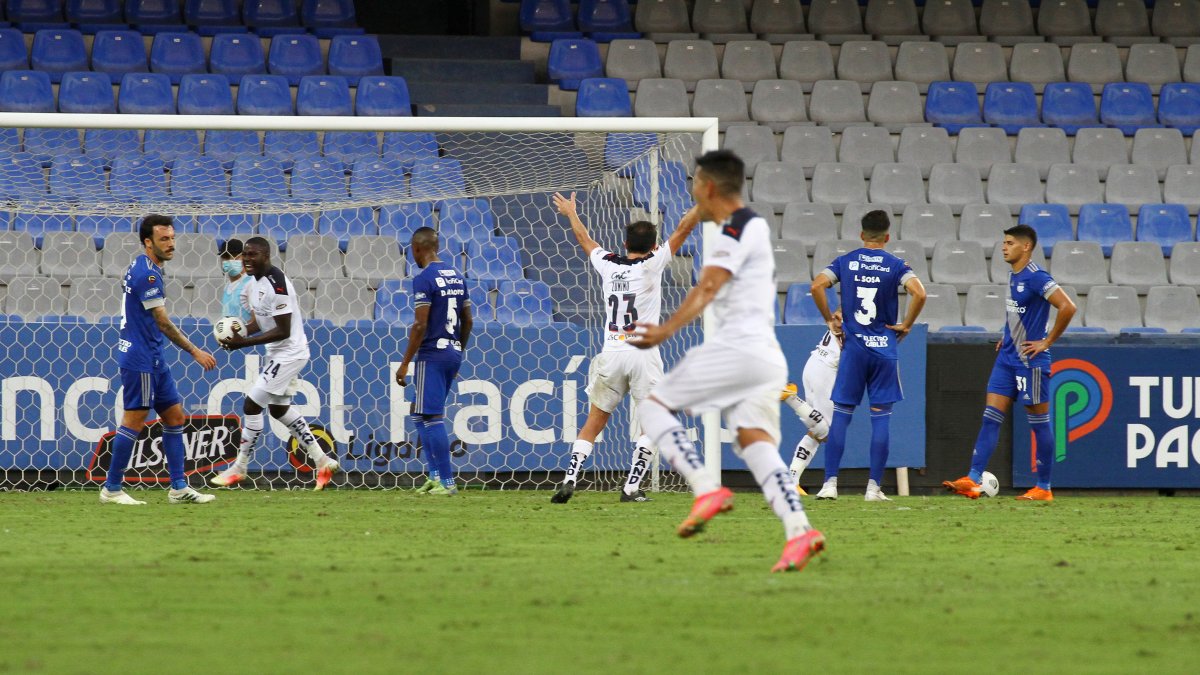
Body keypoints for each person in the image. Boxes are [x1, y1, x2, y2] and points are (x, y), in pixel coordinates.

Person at [628, 150, 829, 573]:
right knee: (755, 442)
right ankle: (800, 531)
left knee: (653, 406)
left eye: (694, 186)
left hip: (738, 348)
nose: (691, 195)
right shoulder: (746, 225)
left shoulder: (736, 228)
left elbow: (707, 287)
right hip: (764, 356)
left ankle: (705, 488)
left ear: (708, 187)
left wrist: (664, 330)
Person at [548, 191, 700, 504]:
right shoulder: (653, 264)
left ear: (625, 243)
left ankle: (570, 478)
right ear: (654, 247)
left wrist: (571, 213)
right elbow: (683, 229)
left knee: (594, 421)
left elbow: (585, 239)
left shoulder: (607, 264)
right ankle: (631, 487)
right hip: (643, 355)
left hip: (612, 352)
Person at [943, 224, 1076, 501]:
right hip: (1007, 358)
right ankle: (973, 478)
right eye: (1004, 242)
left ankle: (1044, 487)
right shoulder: (1013, 274)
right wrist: (1008, 335)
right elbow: (1019, 314)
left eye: (1010, 243)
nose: (1004, 247)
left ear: (1026, 247)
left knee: (1039, 424)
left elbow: (1068, 306)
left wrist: (1046, 342)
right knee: (990, 417)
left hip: (1031, 361)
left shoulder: (1037, 277)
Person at [101, 214, 218, 505]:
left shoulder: (144, 266)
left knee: (175, 417)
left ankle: (178, 488)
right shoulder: (149, 275)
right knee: (134, 421)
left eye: (172, 238)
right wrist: (195, 351)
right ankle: (111, 489)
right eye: (164, 239)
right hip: (140, 357)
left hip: (153, 356)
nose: (171, 244)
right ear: (148, 242)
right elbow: (163, 322)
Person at [810, 210, 926, 502]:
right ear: (887, 237)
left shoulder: (845, 261)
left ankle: (829, 484)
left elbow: (817, 286)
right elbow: (920, 293)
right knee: (881, 419)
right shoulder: (896, 264)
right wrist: (907, 325)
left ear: (862, 235)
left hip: (854, 350)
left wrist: (830, 319)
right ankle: (873, 488)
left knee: (841, 417)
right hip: (884, 349)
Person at [210, 237, 340, 490]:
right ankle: (322, 461)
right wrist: (239, 333)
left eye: (253, 255)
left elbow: (283, 329)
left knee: (251, 404)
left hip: (290, 353)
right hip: (277, 353)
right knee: (279, 409)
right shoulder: (253, 284)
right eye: (245, 255)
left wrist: (244, 344)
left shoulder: (277, 284)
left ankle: (239, 468)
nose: (247, 259)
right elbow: (261, 322)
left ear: (266, 256)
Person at [396, 227, 473, 496]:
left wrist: (405, 362)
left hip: (432, 353)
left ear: (416, 249)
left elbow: (420, 324)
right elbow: (468, 320)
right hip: (451, 351)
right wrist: (458, 351)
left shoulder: (424, 279)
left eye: (412, 251)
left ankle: (447, 483)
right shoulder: (457, 276)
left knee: (432, 416)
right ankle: (435, 475)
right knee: (419, 413)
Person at [779, 309, 842, 495]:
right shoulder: (859, 314)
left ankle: (792, 480)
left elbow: (837, 315)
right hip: (825, 370)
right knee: (827, 434)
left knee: (815, 431)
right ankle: (791, 397)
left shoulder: (850, 307)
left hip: (814, 363)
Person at [219, 238, 253, 323]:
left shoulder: (251, 283)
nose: (230, 260)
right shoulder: (228, 285)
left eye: (235, 256)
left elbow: (258, 320)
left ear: (244, 258)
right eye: (226, 257)